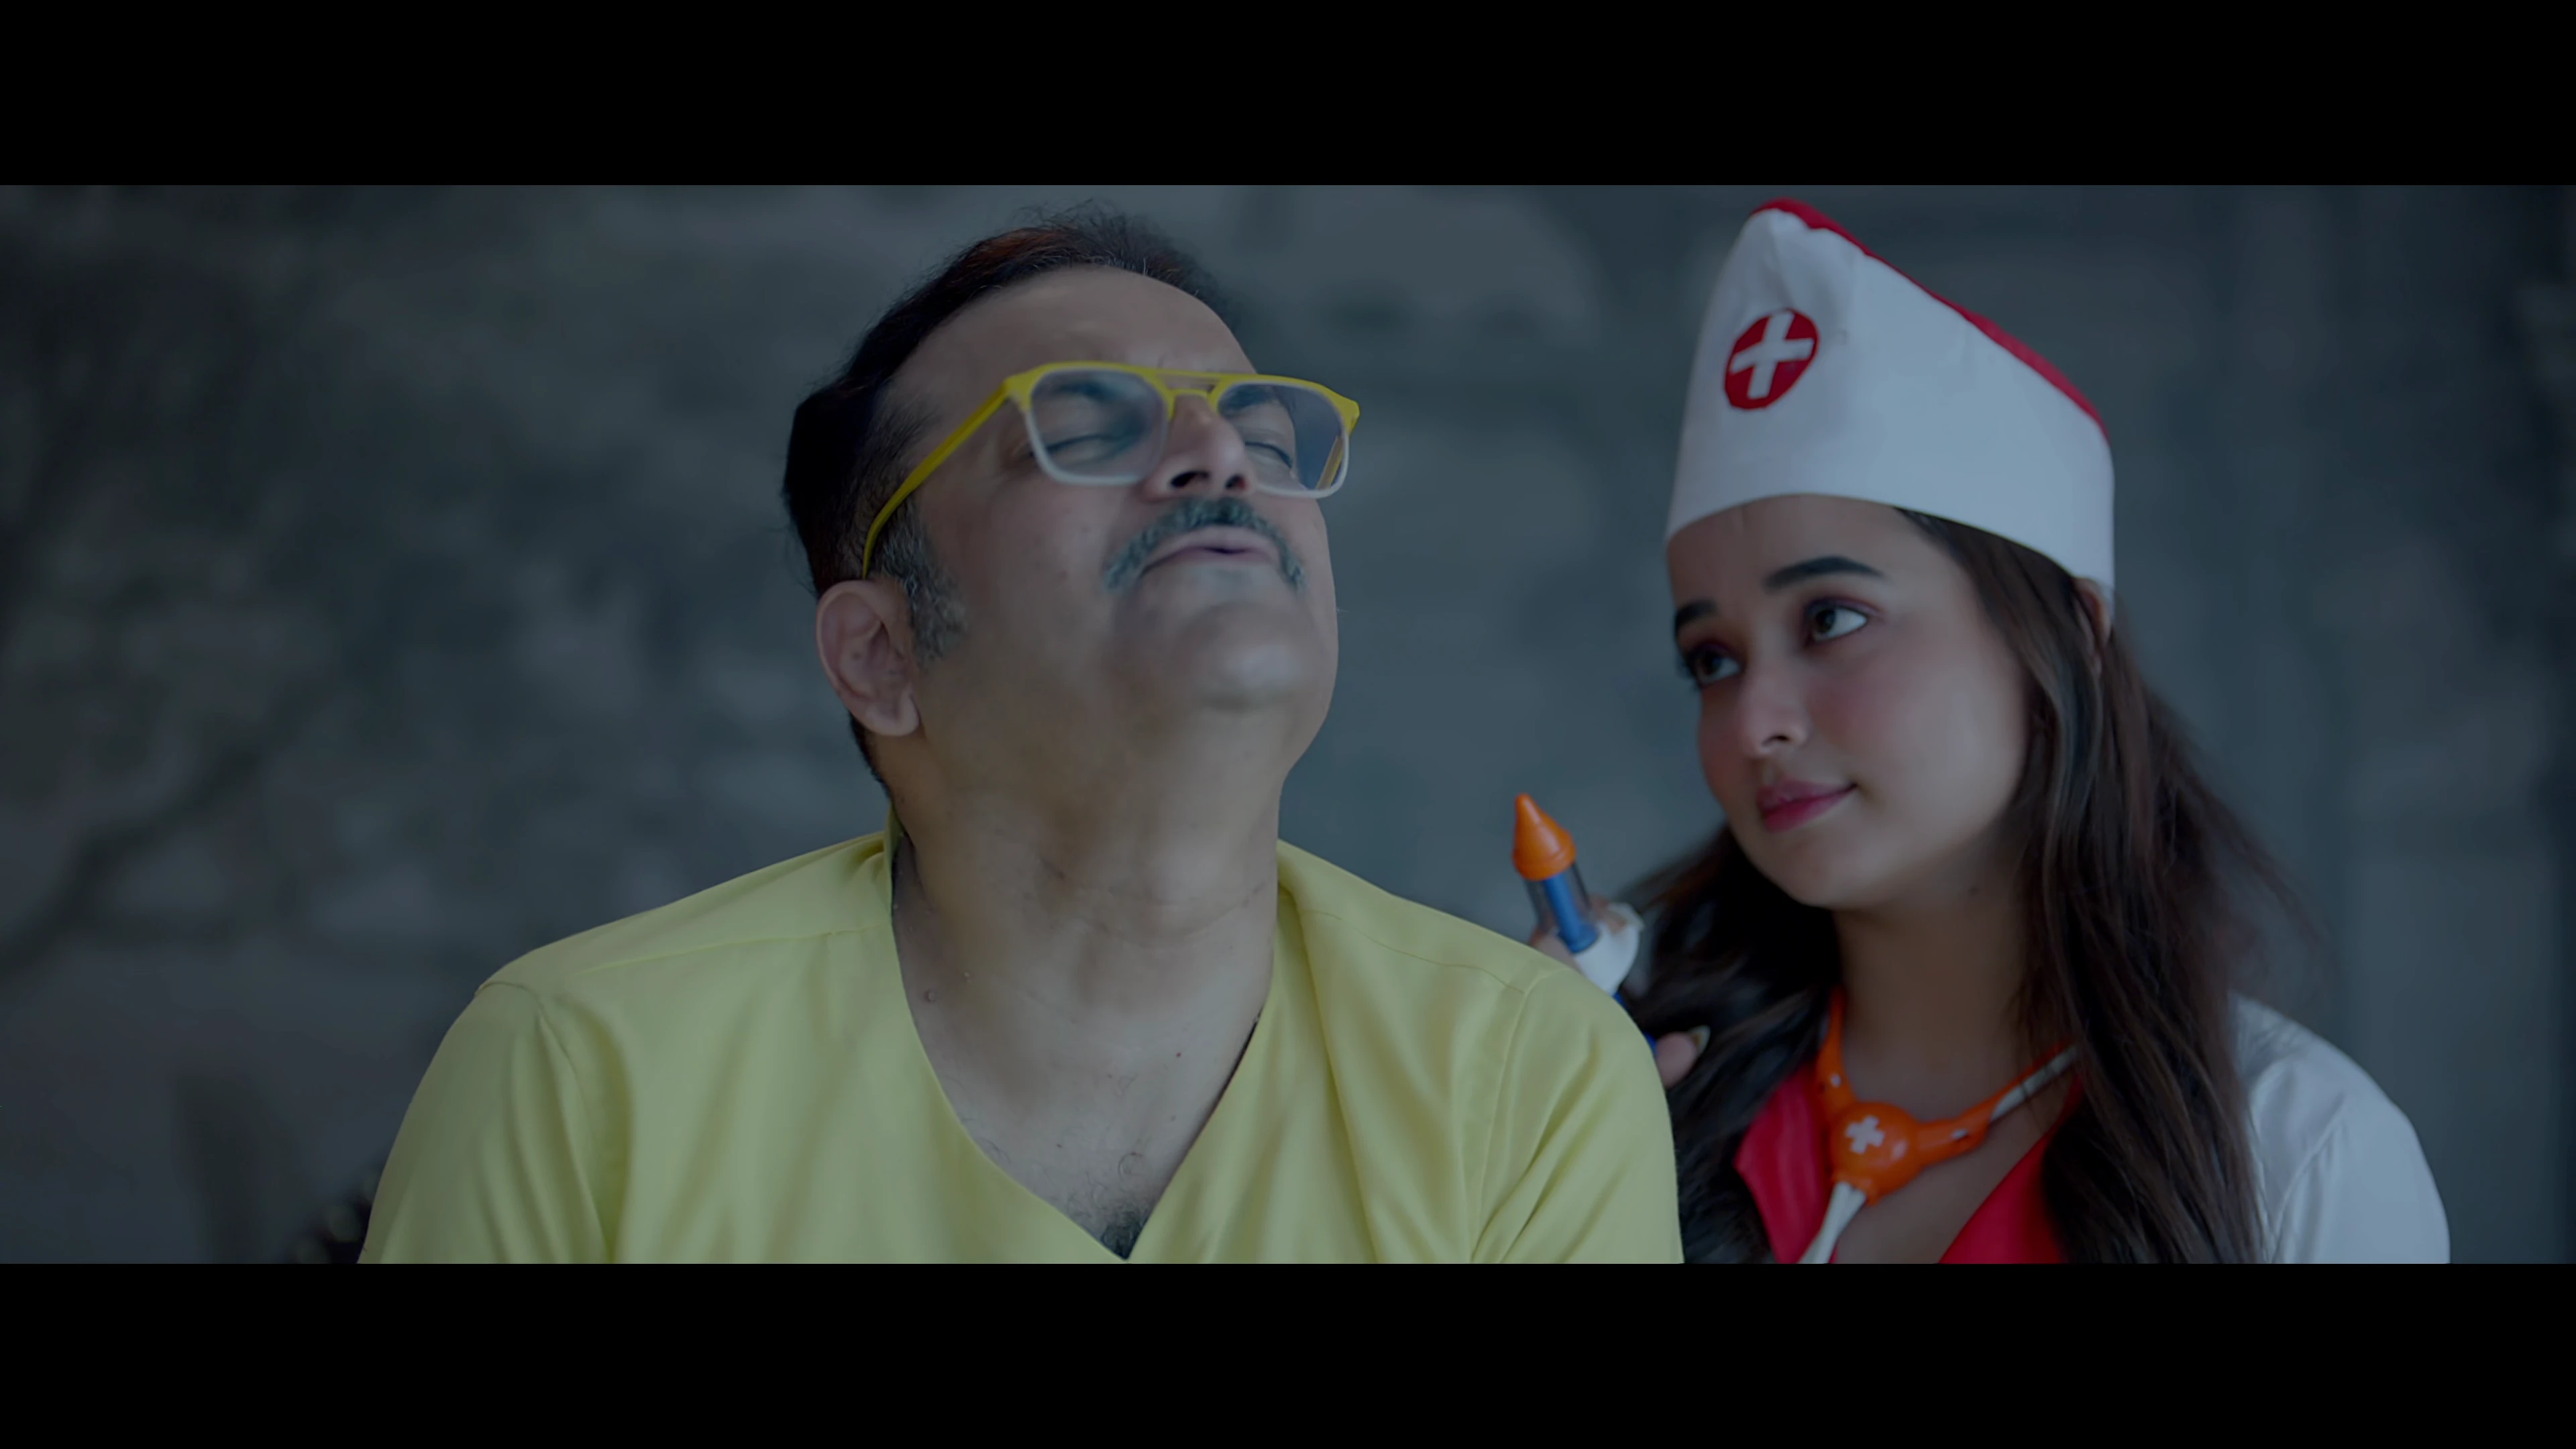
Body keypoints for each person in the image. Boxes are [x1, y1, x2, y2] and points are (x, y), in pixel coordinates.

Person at [361, 209, 1680, 1263]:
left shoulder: (1531, 1080)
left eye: (1263, 432)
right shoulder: (585, 1075)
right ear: (879, 656)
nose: (1221, 457)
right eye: (1089, 426)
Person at [1536, 199, 2447, 1263]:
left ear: (2067, 632)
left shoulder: (2299, 1159)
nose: (1755, 723)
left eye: (1831, 620)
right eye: (1712, 660)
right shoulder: (1637, 1108)